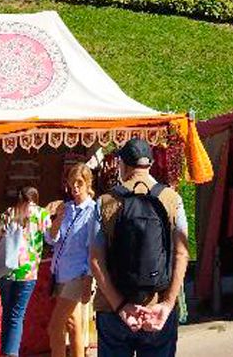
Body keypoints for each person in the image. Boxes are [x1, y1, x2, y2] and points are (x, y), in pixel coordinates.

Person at [90, 139, 190, 357]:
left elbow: (95, 260)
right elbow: (182, 253)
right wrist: (168, 303)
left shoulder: (105, 202)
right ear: (150, 164)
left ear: (122, 165)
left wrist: (120, 306)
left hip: (112, 309)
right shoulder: (173, 199)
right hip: (157, 306)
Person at [47, 163, 99, 357]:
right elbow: (51, 238)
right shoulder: (66, 208)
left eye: (79, 183)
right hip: (60, 273)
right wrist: (58, 219)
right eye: (72, 183)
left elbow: (92, 248)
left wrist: (88, 279)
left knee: (54, 327)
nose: (75, 187)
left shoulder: (93, 211)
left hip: (77, 275)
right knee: (73, 325)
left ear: (88, 184)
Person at [0, 186, 51, 357]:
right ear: (35, 197)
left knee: (7, 312)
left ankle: (4, 351)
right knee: (17, 315)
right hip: (27, 271)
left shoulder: (8, 212)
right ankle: (11, 353)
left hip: (6, 269)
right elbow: (51, 237)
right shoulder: (41, 213)